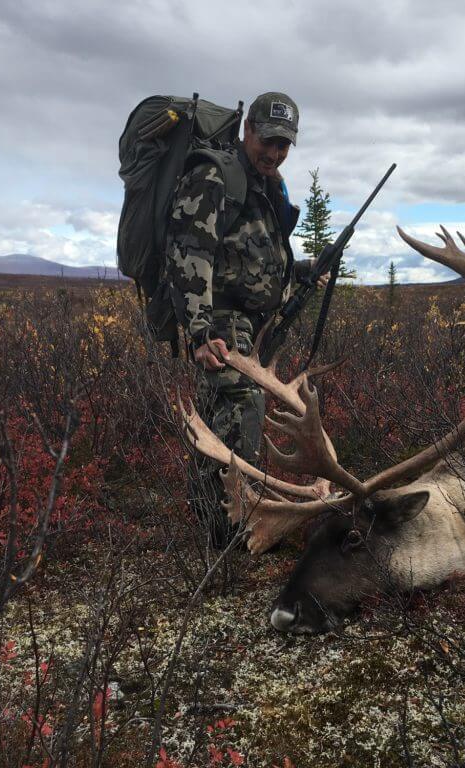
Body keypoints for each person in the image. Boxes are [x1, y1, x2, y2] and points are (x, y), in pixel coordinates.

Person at [165, 91, 321, 548]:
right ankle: (226, 533)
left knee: (223, 416)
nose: (274, 153)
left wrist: (304, 271)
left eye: (284, 145)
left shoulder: (265, 184)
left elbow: (256, 254)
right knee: (242, 407)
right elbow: (188, 253)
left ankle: (211, 512)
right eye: (268, 140)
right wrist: (199, 332)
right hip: (222, 321)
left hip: (252, 325)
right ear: (247, 130)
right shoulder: (216, 175)